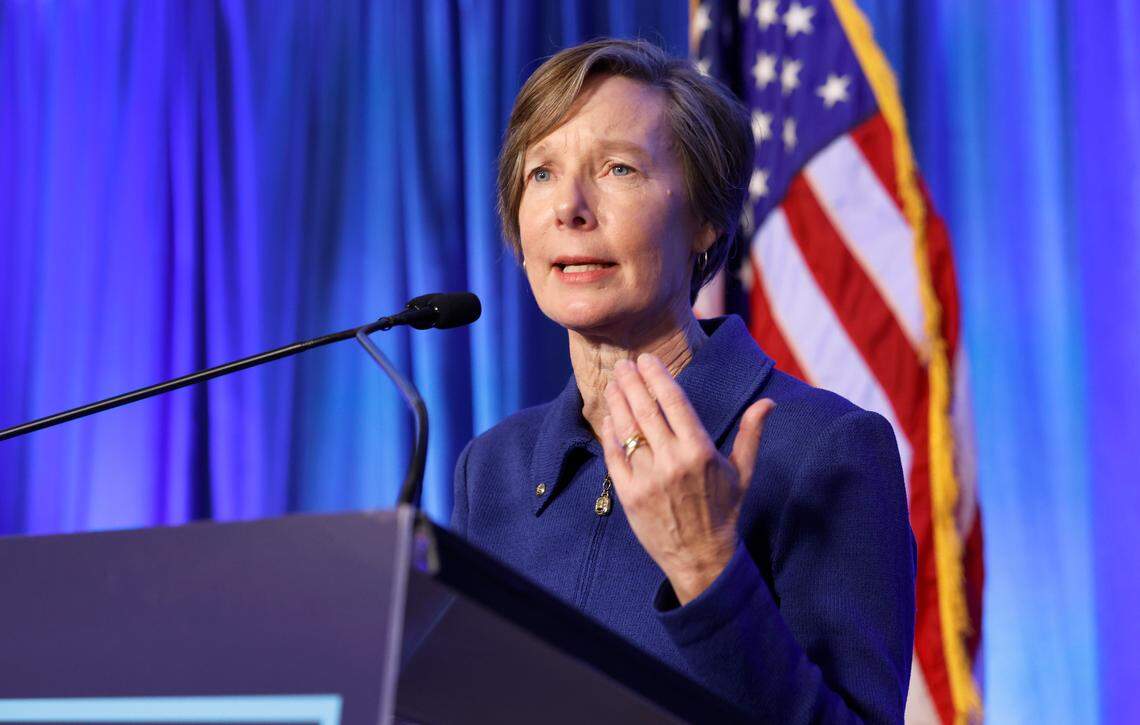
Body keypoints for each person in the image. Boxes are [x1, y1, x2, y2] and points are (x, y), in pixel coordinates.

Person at [451, 38, 915, 723]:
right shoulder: (492, 468)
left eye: (618, 169)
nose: (568, 208)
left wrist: (708, 571)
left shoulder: (825, 449)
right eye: (541, 173)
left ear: (706, 220)